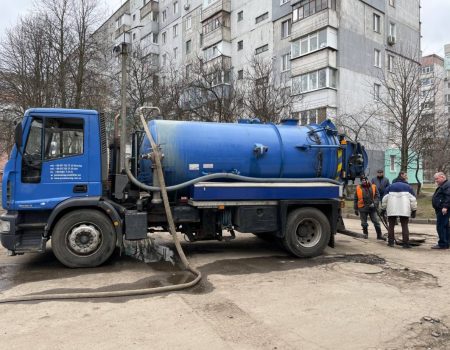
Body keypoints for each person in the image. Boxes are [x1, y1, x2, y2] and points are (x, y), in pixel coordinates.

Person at [381, 172, 417, 248]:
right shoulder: (408, 187)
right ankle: (405, 244)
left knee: (391, 226)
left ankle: (391, 242)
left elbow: (384, 199)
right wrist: (414, 210)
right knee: (404, 226)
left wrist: (383, 209)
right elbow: (413, 200)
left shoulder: (390, 187)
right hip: (404, 209)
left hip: (392, 209)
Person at [354, 175, 384, 239]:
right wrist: (355, 209)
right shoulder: (358, 188)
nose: (364, 181)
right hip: (362, 207)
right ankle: (365, 235)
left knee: (376, 221)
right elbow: (355, 199)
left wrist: (375, 203)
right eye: (362, 180)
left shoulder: (373, 186)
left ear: (367, 180)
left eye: (365, 180)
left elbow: (377, 196)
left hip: (372, 208)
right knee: (364, 223)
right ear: (361, 181)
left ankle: (379, 235)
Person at [431, 172, 450, 249]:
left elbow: (448, 196)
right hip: (441, 209)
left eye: (437, 179)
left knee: (441, 226)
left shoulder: (447, 185)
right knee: (445, 226)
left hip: (443, 209)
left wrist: (445, 207)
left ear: (442, 177)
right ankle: (446, 242)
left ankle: (443, 244)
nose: (436, 181)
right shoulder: (444, 185)